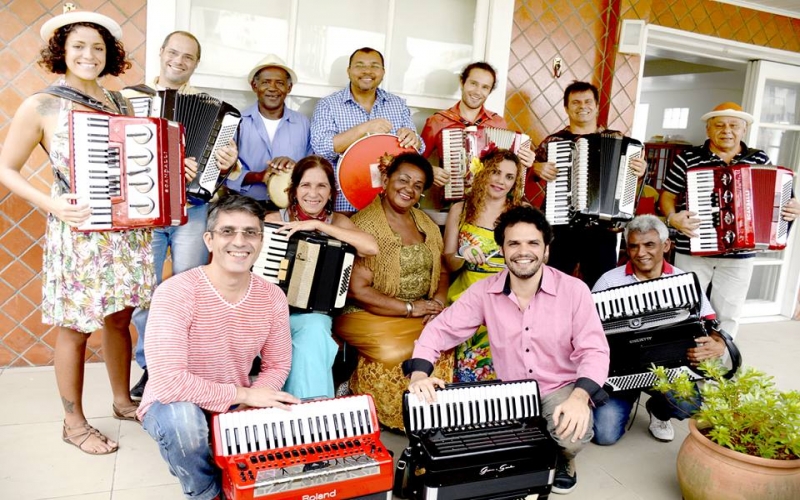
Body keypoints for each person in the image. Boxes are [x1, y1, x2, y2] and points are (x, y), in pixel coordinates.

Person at [0, 9, 149, 454]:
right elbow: (6, 169)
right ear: (61, 51)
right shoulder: (42, 104)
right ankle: (74, 422)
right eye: (79, 46)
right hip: (78, 230)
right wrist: (51, 203)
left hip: (124, 230)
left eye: (98, 47)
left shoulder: (121, 102)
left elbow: (134, 162)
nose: (89, 54)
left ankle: (122, 401)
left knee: (120, 316)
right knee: (75, 327)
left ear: (111, 55)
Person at [406, 205, 610, 495]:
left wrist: (580, 397)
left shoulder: (574, 290)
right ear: (501, 249)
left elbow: (595, 350)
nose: (523, 251)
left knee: (571, 437)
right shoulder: (483, 291)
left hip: (559, 387)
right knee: (478, 454)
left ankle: (564, 459)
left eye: (533, 243)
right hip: (510, 391)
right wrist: (418, 374)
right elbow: (440, 330)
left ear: (546, 250)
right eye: (513, 243)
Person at [138, 194, 300, 500]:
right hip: (172, 403)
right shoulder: (175, 293)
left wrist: (251, 402)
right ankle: (206, 492)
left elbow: (277, 365)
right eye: (228, 231)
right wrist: (245, 394)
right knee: (184, 423)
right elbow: (170, 384)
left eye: (250, 232)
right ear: (209, 240)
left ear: (261, 241)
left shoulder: (272, 296)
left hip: (233, 402)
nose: (240, 241)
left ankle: (232, 472)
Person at [125, 31, 239, 400]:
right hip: (144, 213)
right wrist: (170, 167)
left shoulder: (213, 108)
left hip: (192, 210)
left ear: (196, 62)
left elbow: (229, 171)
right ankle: (152, 367)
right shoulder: (129, 99)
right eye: (173, 53)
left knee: (188, 292)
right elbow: (119, 151)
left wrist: (229, 163)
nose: (179, 61)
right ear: (160, 53)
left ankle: (185, 365)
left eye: (188, 56)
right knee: (145, 294)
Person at [659, 102, 800, 337]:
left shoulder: (760, 158)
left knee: (729, 314)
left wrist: (792, 207)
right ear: (708, 130)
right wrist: (673, 218)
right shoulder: (688, 158)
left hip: (739, 254)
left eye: (734, 125)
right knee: (684, 309)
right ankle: (682, 365)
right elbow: (667, 195)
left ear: (743, 130)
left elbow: (780, 200)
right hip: (693, 248)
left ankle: (722, 368)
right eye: (720, 125)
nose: (727, 130)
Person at [333, 153, 451, 430]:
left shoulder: (426, 223)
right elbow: (357, 291)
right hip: (364, 312)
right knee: (397, 351)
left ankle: (431, 419)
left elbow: (443, 271)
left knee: (444, 340)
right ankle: (355, 390)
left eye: (418, 185)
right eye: (404, 179)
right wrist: (410, 309)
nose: (409, 189)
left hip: (420, 309)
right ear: (385, 180)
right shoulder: (364, 225)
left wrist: (437, 303)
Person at [591, 215, 727, 445]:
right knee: (604, 435)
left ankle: (658, 410)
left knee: (689, 404)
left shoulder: (684, 280)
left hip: (670, 371)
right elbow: (588, 330)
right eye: (634, 246)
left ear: (666, 246)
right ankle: (627, 398)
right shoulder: (608, 282)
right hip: (619, 374)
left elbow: (711, 323)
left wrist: (718, 344)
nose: (640, 252)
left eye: (649, 245)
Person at [264, 155, 378, 398]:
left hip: (314, 313)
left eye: (321, 186)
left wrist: (319, 227)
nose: (313, 193)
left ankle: (312, 412)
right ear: (293, 190)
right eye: (305, 185)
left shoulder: (337, 221)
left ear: (330, 192)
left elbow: (371, 247)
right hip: (271, 313)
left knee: (315, 330)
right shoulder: (274, 221)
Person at [527, 81, 647, 288]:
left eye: (587, 101)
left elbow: (630, 178)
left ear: (596, 105)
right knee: (552, 282)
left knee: (602, 286)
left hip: (603, 228)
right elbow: (528, 177)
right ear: (566, 108)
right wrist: (536, 167)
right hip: (561, 226)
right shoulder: (553, 141)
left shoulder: (618, 139)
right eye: (575, 102)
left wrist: (640, 169)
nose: (582, 106)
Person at [442, 148, 526, 382]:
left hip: (508, 299)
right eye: (495, 172)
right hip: (466, 297)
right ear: (482, 172)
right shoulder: (461, 209)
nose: (501, 181)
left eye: (509, 177)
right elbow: (448, 262)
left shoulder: (522, 213)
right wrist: (463, 253)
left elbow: (543, 258)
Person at [311, 47, 423, 213]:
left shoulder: (397, 104)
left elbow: (417, 150)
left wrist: (414, 139)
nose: (367, 71)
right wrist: (364, 128)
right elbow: (321, 149)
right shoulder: (328, 105)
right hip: (344, 205)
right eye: (360, 65)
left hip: (389, 209)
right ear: (348, 71)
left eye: (374, 66)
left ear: (383, 72)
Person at [421, 61, 534, 196]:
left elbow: (508, 168)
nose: (477, 92)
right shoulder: (438, 121)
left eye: (485, 87)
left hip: (489, 201)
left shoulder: (497, 123)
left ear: (489, 91)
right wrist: (429, 170)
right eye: (473, 83)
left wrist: (525, 162)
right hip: (452, 201)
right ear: (462, 83)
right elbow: (416, 161)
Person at [226, 55, 312, 210]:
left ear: (289, 88)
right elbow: (227, 172)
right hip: (245, 206)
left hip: (292, 208)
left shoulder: (303, 123)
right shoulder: (237, 122)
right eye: (266, 82)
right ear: (254, 86)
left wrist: (295, 168)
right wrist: (260, 176)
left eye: (279, 83)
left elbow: (313, 166)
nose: (272, 88)